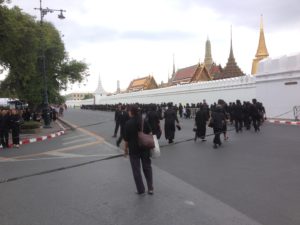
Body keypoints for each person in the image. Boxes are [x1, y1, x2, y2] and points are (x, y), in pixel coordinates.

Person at [124, 105, 154, 195]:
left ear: (131, 112)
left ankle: (140, 189)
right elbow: (150, 132)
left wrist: (125, 150)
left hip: (134, 150)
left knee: (136, 170)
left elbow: (126, 139)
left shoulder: (128, 123)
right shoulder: (143, 121)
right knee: (147, 168)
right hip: (145, 148)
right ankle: (150, 188)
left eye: (128, 111)